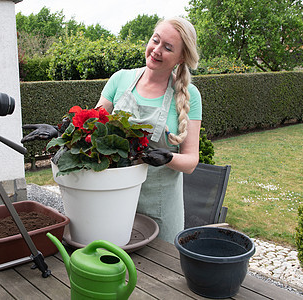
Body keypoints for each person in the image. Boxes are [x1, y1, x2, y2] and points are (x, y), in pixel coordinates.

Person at [22, 17, 201, 243]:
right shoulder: (120, 79)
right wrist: (61, 132)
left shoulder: (188, 96)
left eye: (167, 47)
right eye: (155, 40)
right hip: (113, 199)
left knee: (159, 272)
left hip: (160, 204)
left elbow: (191, 161)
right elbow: (92, 130)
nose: (156, 50)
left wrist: (168, 157)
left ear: (181, 57)